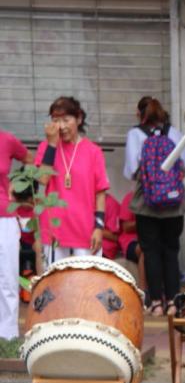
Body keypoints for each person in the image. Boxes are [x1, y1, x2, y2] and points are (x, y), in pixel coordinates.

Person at [124, 96, 185, 316]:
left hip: (146, 203)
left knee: (150, 252)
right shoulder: (174, 133)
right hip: (174, 203)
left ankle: (156, 304)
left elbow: (131, 170)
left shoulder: (135, 135)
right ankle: (173, 302)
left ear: (139, 114)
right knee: (171, 250)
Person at [35, 96, 109, 267]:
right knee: (55, 281)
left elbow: (100, 193)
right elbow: (42, 180)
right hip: (54, 231)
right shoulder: (45, 147)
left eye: (66, 120)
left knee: (86, 281)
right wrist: (52, 145)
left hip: (85, 231)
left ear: (79, 119)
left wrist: (99, 227)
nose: (61, 126)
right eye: (56, 120)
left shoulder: (94, 151)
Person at [0, 126, 33, 340]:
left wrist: (16, 185)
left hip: (4, 215)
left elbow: (30, 160)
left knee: (7, 279)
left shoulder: (6, 140)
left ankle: (7, 337)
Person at [102, 190, 143, 286]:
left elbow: (116, 237)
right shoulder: (131, 197)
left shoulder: (110, 203)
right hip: (89, 246)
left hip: (105, 250)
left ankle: (144, 290)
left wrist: (94, 231)